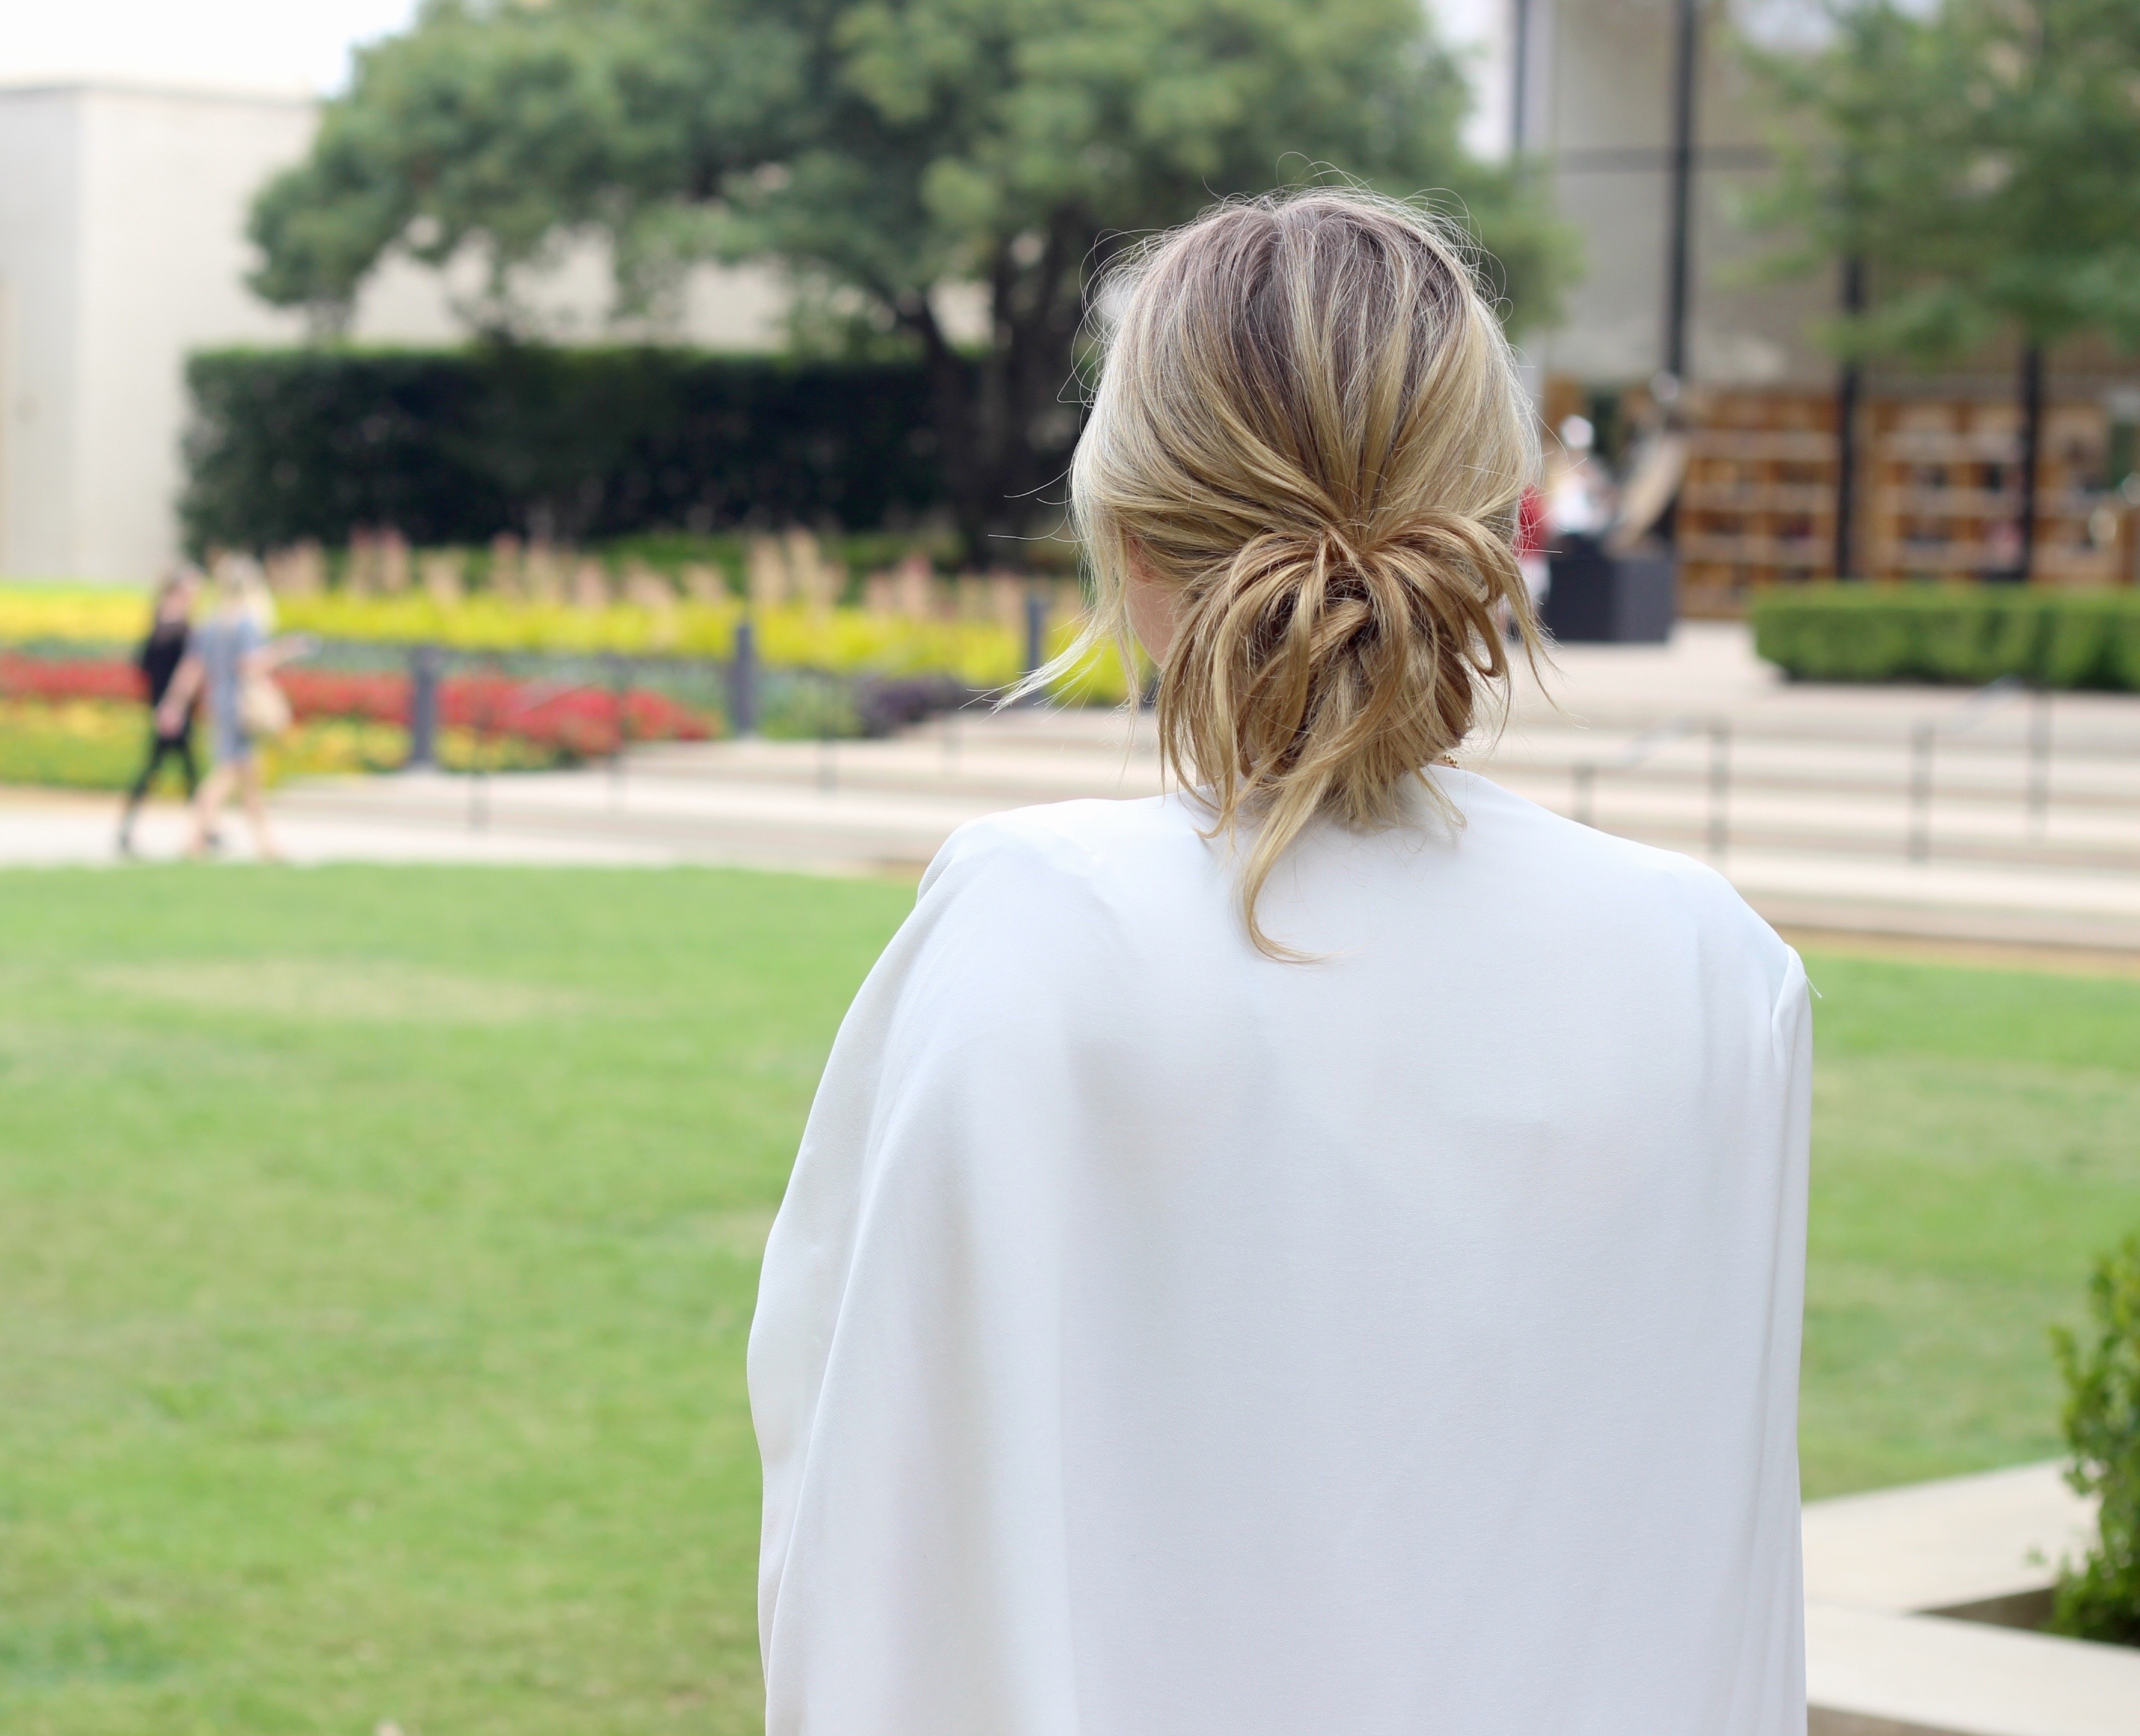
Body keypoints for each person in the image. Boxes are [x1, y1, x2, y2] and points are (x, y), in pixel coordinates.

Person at [750, 191, 1809, 1736]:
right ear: (1500, 525)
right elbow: (1723, 1580)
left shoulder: (1039, 929)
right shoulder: (1713, 969)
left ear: (1127, 542)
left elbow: (885, 1560)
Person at [154, 562, 315, 862]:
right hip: (243, 706)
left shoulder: (209, 624)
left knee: (249, 778)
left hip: (221, 703)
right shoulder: (245, 625)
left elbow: (192, 669)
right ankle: (195, 837)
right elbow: (250, 666)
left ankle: (264, 844)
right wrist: (287, 650)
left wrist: (174, 703)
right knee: (227, 774)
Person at [116, 567, 202, 858]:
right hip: (174, 709)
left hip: (161, 707)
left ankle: (203, 828)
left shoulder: (156, 626)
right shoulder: (181, 630)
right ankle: (202, 829)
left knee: (182, 771)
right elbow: (188, 670)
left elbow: (142, 668)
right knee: (173, 771)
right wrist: (174, 704)